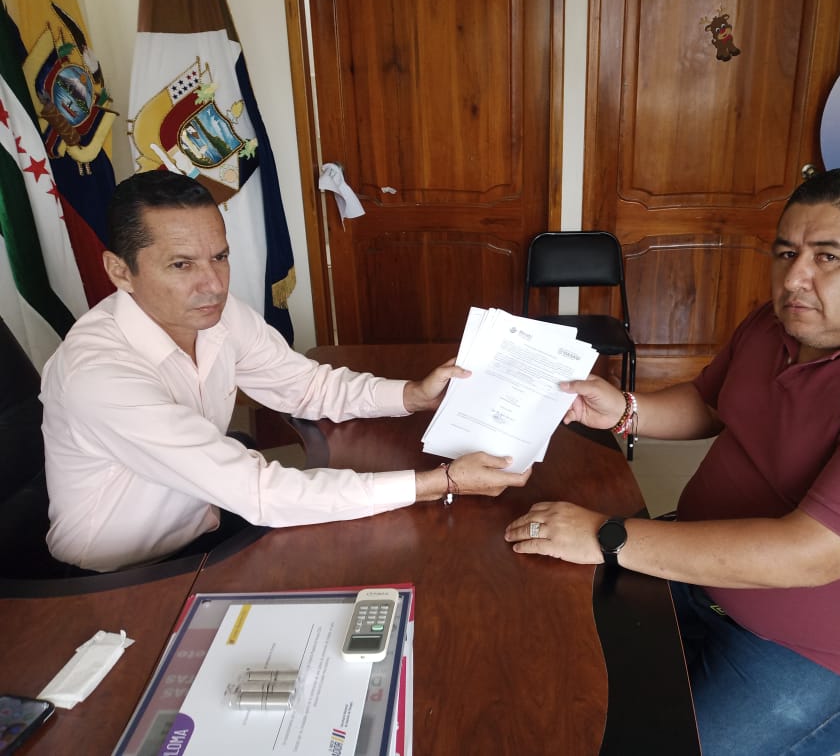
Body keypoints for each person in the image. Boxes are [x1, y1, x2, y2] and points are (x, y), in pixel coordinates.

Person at [504, 169, 840, 755]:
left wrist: (606, 536)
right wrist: (625, 410)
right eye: (787, 253)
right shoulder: (780, 322)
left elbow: (809, 555)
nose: (794, 278)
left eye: (828, 257)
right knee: (543, 644)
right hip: (700, 574)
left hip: (825, 651)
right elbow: (712, 402)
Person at [41, 169, 530, 573]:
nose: (213, 284)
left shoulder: (214, 313)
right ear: (120, 271)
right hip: (115, 580)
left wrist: (414, 395)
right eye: (181, 265)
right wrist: (441, 483)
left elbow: (305, 386)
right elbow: (259, 492)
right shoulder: (98, 376)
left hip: (206, 529)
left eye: (220, 257)